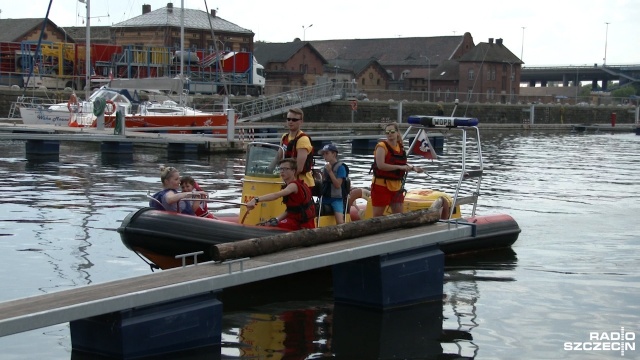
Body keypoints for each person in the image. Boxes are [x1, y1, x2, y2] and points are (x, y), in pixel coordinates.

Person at [245, 158, 316, 230]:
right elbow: (292, 210)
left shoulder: (293, 186)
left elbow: (276, 195)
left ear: (293, 171)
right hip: (299, 221)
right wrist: (277, 219)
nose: (282, 172)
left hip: (301, 224)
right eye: (281, 169)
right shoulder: (298, 184)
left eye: (285, 169)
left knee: (270, 228)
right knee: (269, 224)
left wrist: (256, 199)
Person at [370, 122, 423, 217]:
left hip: (396, 186)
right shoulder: (381, 146)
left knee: (399, 215)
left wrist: (413, 168)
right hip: (381, 186)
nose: (390, 134)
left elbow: (402, 163)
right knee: (377, 216)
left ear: (397, 133)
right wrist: (400, 167)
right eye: (387, 132)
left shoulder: (400, 147)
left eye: (392, 131)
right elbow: (381, 165)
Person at [275, 108, 315, 188]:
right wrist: (267, 170)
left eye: (294, 120)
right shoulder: (284, 137)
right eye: (288, 119)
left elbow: (299, 168)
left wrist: (286, 179)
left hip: (302, 183)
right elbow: (278, 158)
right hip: (287, 180)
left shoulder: (303, 140)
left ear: (301, 121)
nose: (290, 122)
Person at [318, 143, 348, 224]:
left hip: (336, 199)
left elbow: (338, 185)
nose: (324, 156)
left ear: (334, 154)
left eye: (327, 153)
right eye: (323, 154)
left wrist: (330, 172)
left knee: (340, 222)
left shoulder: (341, 167)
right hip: (325, 197)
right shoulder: (325, 168)